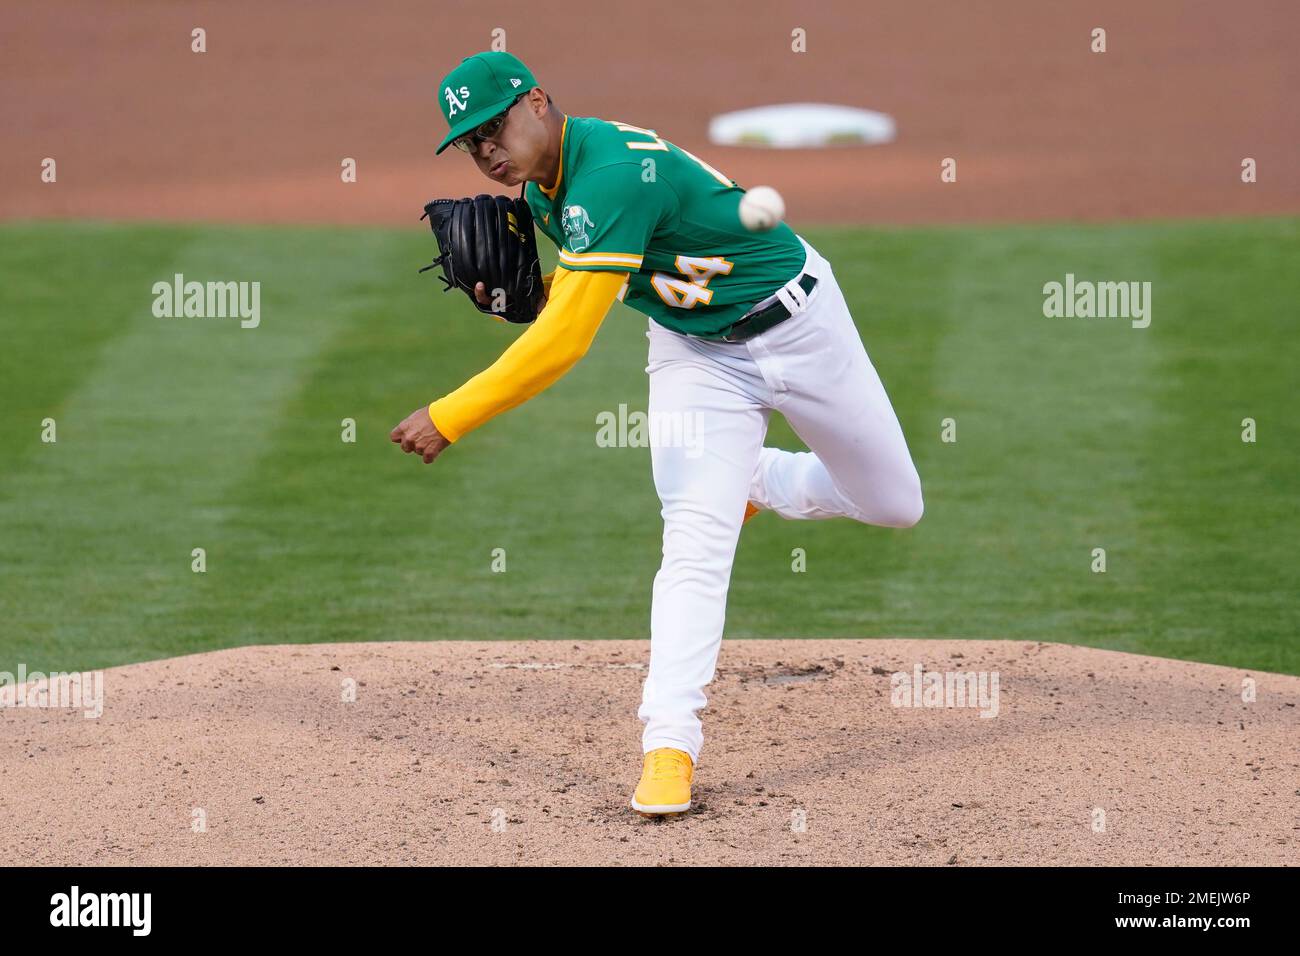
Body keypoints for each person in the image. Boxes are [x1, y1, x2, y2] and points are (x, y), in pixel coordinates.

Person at [391, 51, 923, 816]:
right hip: (695, 353)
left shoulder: (607, 174)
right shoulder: (549, 187)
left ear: (538, 101)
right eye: (471, 143)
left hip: (801, 324)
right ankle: (668, 749)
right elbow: (581, 292)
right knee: (694, 544)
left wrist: (451, 414)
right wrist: (527, 297)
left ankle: (760, 480)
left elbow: (568, 341)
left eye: (494, 128)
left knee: (894, 504)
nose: (487, 152)